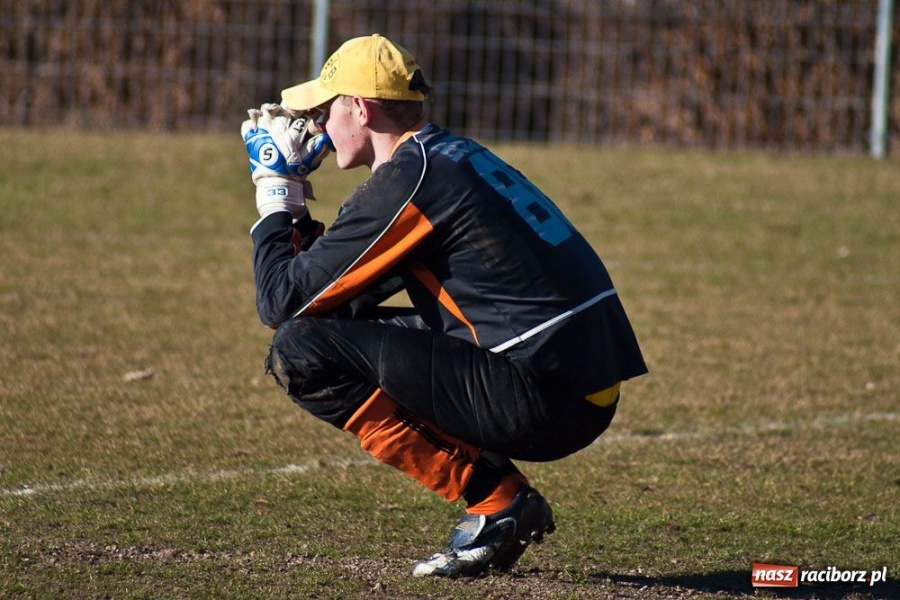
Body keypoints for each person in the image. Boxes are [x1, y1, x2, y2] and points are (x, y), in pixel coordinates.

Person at [240, 33, 647, 578]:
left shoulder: (411, 180)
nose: (316, 124)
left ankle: (498, 499)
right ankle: (500, 499)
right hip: (574, 378)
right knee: (324, 329)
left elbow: (280, 303)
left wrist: (275, 189)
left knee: (299, 351)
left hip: (546, 397)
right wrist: (292, 210)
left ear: (359, 108)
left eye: (324, 108)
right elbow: (332, 294)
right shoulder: (447, 157)